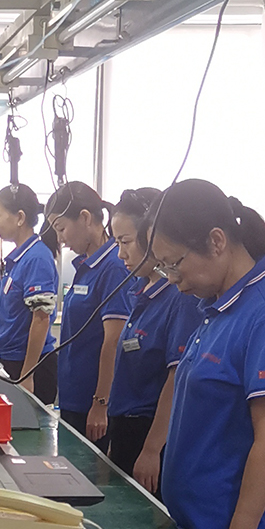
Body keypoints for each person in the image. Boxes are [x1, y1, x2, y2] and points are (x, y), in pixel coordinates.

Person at [150, 179, 265, 529]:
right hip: (197, 525)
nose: (172, 279)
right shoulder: (215, 309)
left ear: (216, 241)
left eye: (174, 264)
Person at [106, 186, 201, 490]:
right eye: (116, 243)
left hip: (151, 432)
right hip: (125, 427)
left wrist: (151, 450)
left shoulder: (179, 297)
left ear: (151, 237)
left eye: (126, 242)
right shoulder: (141, 291)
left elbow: (175, 378)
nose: (121, 253)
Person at [45, 182, 134, 441]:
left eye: (61, 228)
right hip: (74, 398)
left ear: (85, 218)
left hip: (92, 405)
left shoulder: (113, 267)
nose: (60, 239)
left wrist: (100, 403)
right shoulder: (86, 266)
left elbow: (114, 340)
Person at [0, 181, 60, 406]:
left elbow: (41, 318)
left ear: (20, 217)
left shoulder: (36, 258)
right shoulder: (19, 258)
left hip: (29, 366)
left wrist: (27, 375)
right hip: (11, 360)